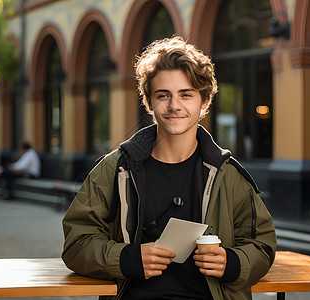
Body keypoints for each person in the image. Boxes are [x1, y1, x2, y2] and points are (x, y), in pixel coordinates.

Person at [62, 36, 276, 299]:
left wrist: (231, 262)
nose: (174, 106)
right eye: (163, 95)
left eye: (186, 95)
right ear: (149, 102)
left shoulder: (228, 174)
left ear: (205, 101)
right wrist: (127, 258)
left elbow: (262, 245)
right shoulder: (115, 169)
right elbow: (76, 244)